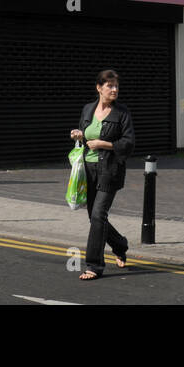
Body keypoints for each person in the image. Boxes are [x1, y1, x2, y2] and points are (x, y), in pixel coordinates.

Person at [69, 70, 135, 281]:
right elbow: (83, 133)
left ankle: (94, 265)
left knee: (98, 214)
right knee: (94, 216)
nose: (114, 89)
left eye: (116, 86)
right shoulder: (88, 109)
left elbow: (129, 143)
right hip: (87, 170)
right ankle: (120, 244)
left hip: (110, 170)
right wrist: (78, 135)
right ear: (99, 88)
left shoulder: (122, 112)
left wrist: (104, 144)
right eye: (110, 86)